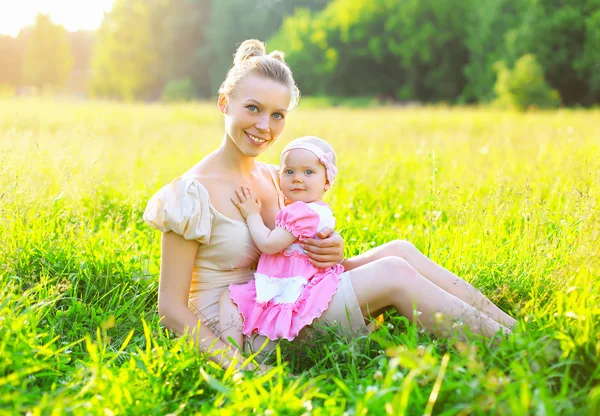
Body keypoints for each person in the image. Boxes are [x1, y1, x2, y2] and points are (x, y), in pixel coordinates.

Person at [143, 39, 516, 372]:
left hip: (285, 294)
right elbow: (171, 309)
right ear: (225, 102)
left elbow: (298, 243)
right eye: (253, 108)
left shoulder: (275, 177)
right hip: (245, 327)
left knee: (399, 250)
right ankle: (513, 350)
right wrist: (237, 367)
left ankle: (514, 331)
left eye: (277, 115)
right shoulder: (190, 194)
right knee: (392, 273)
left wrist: (332, 249)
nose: (264, 126)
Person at [220, 136, 345, 346]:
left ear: (326, 181)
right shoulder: (318, 209)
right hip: (296, 278)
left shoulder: (300, 211)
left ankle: (231, 350)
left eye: (308, 172)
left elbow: (269, 244)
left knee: (230, 297)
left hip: (291, 282)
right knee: (235, 298)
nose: (297, 178)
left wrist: (252, 214)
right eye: (289, 171)